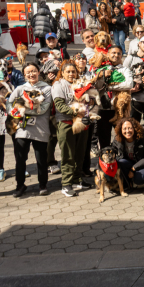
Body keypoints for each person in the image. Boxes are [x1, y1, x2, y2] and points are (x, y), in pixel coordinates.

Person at [8, 61, 52, 197]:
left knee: (41, 158)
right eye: (28, 72)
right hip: (22, 128)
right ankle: (20, 185)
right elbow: (10, 104)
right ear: (24, 75)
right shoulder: (20, 89)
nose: (31, 74)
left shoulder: (47, 89)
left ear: (39, 72)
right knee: (20, 158)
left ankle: (43, 184)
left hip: (40, 128)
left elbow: (43, 109)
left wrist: (22, 109)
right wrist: (15, 112)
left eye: (34, 71)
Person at [51, 61, 91, 197]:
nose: (71, 74)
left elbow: (88, 101)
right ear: (62, 73)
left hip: (81, 122)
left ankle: (77, 179)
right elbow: (60, 106)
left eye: (73, 71)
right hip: (66, 122)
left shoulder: (81, 83)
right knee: (68, 154)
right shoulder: (58, 85)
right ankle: (66, 184)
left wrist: (87, 110)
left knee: (80, 153)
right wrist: (76, 113)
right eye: (67, 71)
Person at [112, 117, 144, 189]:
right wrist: (98, 168)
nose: (127, 131)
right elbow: (109, 151)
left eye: (130, 128)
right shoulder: (117, 139)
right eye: (124, 129)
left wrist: (133, 168)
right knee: (120, 162)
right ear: (121, 130)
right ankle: (128, 182)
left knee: (138, 179)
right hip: (129, 163)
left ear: (134, 128)